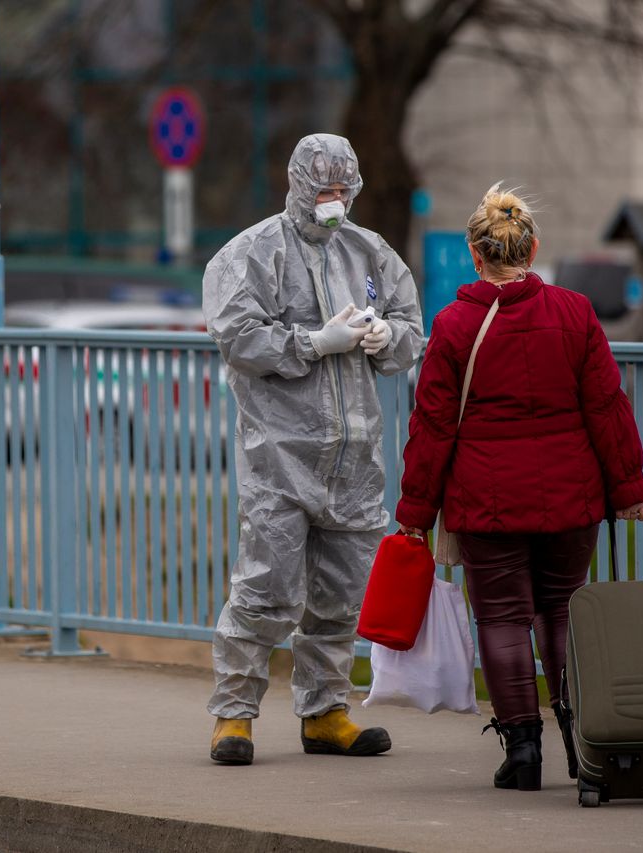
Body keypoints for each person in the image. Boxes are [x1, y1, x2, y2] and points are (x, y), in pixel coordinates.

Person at [395, 183, 643, 791]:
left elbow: (432, 427)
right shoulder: (576, 312)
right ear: (532, 248)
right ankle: (580, 735)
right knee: (564, 611)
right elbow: (607, 408)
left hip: (487, 504)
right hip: (572, 499)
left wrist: (414, 511)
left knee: (504, 621)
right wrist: (629, 487)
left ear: (475, 256)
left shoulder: (455, 326)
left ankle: (524, 749)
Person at [202, 133, 425, 766]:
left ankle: (326, 712)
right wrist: (313, 342)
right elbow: (238, 337)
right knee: (265, 590)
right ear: (297, 186)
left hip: (354, 459)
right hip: (281, 457)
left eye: (344, 192)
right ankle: (233, 717)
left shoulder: (369, 252)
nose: (335, 203)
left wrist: (387, 338)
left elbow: (411, 329)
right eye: (324, 191)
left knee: (340, 597)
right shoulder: (250, 254)